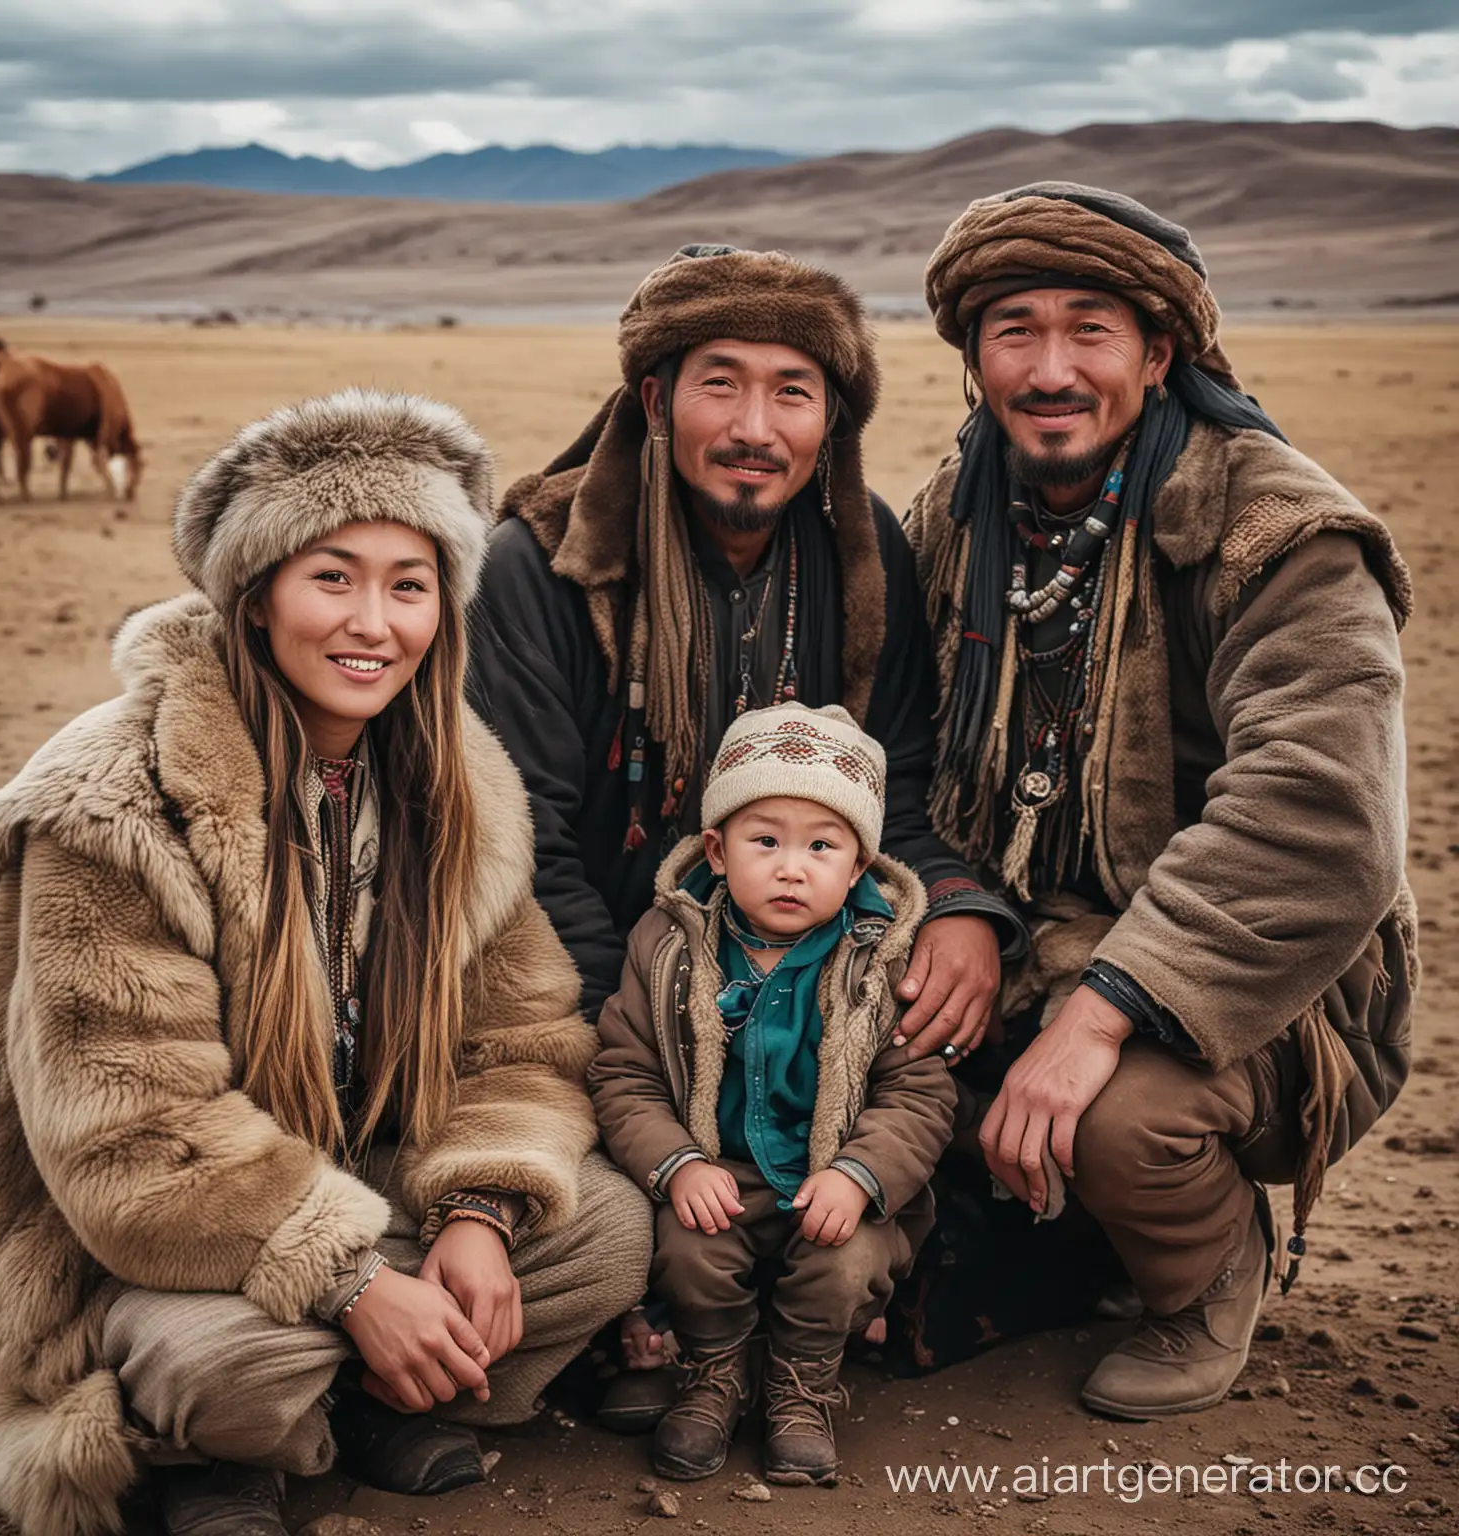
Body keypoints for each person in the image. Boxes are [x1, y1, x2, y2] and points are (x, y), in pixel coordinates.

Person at [0, 390, 652, 1536]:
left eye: (409, 583)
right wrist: (356, 1285)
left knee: (607, 1237)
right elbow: (131, 1137)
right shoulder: (117, 798)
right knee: (231, 1364)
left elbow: (517, 1039)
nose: (372, 621)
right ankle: (237, 1439)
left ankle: (332, 1411)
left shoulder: (460, 777)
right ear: (255, 593)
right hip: (153, 1242)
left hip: (356, 1183)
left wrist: (477, 1211)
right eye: (332, 576)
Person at [469, 244, 1021, 1420]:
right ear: (656, 399)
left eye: (793, 392)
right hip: (589, 976)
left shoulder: (858, 550)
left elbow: (898, 788)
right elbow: (523, 842)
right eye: (720, 383)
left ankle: (814, 1298)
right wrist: (664, 1003)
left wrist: (959, 909)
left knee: (965, 1061)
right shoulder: (543, 564)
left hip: (797, 948)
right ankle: (658, 1319)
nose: (755, 426)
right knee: (600, 1150)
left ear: (833, 417)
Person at [902, 183, 1417, 1418]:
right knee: (855, 1046)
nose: (1051, 366)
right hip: (1026, 930)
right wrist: (959, 900)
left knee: (1119, 1124)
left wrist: (1103, 1012)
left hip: (1251, 982)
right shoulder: (954, 519)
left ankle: (1203, 1273)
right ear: (974, 361)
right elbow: (892, 745)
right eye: (1014, 330)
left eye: (1091, 328)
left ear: (1160, 351)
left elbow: (1321, 819)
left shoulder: (1278, 530)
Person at [589, 703, 954, 1485]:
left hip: (838, 1180)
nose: (793, 867)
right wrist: (677, 1163)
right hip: (719, 1169)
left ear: (858, 867)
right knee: (687, 1254)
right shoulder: (667, 949)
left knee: (841, 1266)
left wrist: (861, 1176)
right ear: (716, 852)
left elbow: (918, 1095)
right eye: (766, 842)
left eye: (822, 846)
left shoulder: (882, 960)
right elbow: (625, 1074)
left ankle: (800, 1385)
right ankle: (715, 1371)